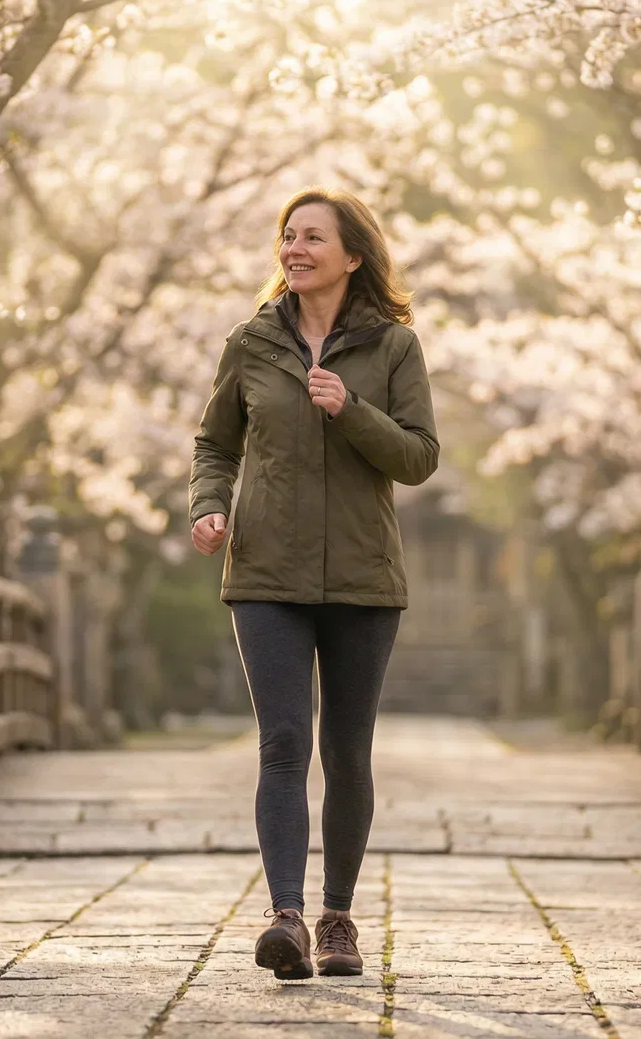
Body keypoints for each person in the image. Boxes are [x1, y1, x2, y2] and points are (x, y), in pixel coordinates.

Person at [188, 187, 439, 980]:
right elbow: (214, 443)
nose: (294, 250)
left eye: (313, 238)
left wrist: (350, 408)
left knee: (348, 750)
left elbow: (420, 458)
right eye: (287, 237)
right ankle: (286, 917)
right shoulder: (252, 342)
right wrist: (208, 506)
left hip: (364, 580)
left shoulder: (395, 348)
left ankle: (337, 919)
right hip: (266, 571)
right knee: (284, 742)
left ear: (353, 255)